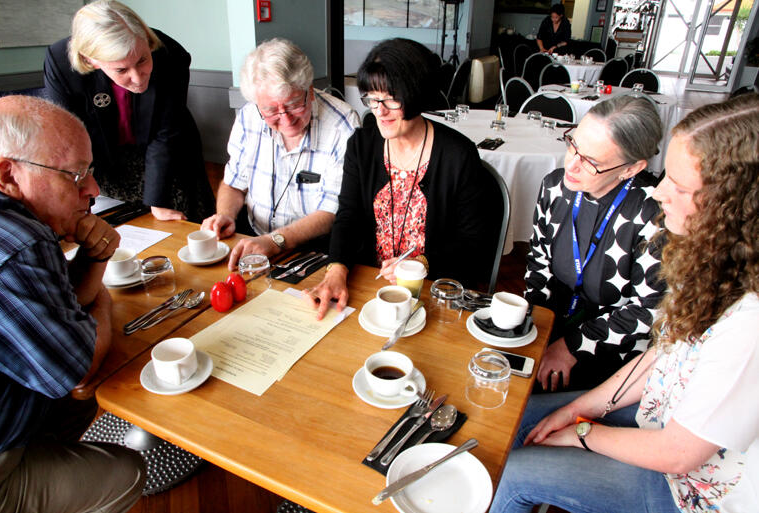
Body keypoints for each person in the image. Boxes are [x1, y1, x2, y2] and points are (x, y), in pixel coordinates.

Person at [490, 94, 759, 513]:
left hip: (687, 488)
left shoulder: (748, 322)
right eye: (667, 174)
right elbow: (661, 357)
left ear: (734, 209)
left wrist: (582, 431)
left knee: (514, 470)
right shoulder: (714, 265)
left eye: (680, 184)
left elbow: (678, 454)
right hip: (649, 408)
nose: (661, 190)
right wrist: (579, 408)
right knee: (507, 419)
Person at [0, 95, 146, 512]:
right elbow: (78, 367)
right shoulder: (20, 244)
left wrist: (94, 258)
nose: (93, 190)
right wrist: (104, 301)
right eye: (74, 175)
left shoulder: (7, 219)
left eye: (89, 171)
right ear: (8, 175)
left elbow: (53, 313)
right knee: (127, 472)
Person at [304, 38, 502, 319]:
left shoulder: (457, 154)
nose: (379, 110)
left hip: (435, 293)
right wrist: (336, 269)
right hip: (370, 286)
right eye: (372, 98)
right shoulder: (362, 146)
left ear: (416, 94)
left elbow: (473, 244)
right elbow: (348, 216)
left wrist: (419, 262)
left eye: (391, 98)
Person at [527, 95, 666, 392]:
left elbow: (649, 310)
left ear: (630, 169)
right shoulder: (555, 186)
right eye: (573, 145)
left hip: (614, 352)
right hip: (553, 326)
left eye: (591, 161)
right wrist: (531, 333)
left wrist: (571, 346)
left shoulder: (653, 214)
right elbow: (538, 262)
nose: (571, 166)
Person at [44, 0, 215, 222]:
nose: (137, 77)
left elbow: (165, 132)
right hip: (105, 156)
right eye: (121, 69)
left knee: (183, 221)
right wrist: (80, 199)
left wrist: (158, 202)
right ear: (91, 60)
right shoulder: (60, 63)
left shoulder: (170, 54)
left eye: (142, 60)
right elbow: (69, 137)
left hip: (168, 152)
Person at [202, 38, 360, 270]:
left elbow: (332, 210)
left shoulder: (343, 124)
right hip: (255, 239)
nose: (286, 119)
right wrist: (225, 215)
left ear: (311, 91)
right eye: (271, 110)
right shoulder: (248, 117)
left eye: (295, 104)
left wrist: (275, 241)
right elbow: (234, 183)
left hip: (317, 250)